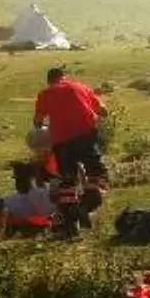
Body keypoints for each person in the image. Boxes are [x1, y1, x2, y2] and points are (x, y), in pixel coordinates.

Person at [31, 66, 109, 237]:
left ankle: (71, 224)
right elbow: (103, 111)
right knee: (98, 173)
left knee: (67, 180)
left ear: (49, 81)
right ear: (64, 77)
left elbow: (37, 122)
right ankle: (87, 204)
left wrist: (45, 126)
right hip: (86, 135)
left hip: (62, 140)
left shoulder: (45, 94)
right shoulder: (80, 87)